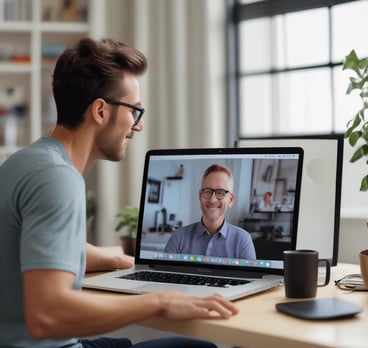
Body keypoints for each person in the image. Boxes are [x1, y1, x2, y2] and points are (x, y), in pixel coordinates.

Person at [0, 37, 238, 348]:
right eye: (134, 111)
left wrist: (120, 260)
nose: (137, 126)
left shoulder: (23, 162)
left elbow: (34, 244)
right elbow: (46, 315)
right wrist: (159, 301)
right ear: (100, 111)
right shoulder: (59, 179)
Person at [164, 164, 256, 260]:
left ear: (230, 200)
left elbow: (249, 275)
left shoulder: (243, 240)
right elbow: (165, 272)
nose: (212, 200)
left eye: (220, 192)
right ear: (200, 196)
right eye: (207, 191)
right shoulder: (178, 237)